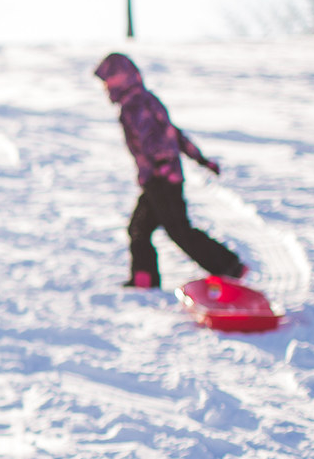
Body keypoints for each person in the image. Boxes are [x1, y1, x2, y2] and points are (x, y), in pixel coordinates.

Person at [94, 52, 244, 289]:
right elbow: (173, 134)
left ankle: (229, 267)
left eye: (107, 81)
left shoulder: (134, 106)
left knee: (178, 231)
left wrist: (161, 164)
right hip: (158, 178)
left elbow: (157, 141)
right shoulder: (146, 100)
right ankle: (144, 279)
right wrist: (200, 159)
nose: (104, 87)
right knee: (139, 229)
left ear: (119, 79)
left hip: (161, 179)